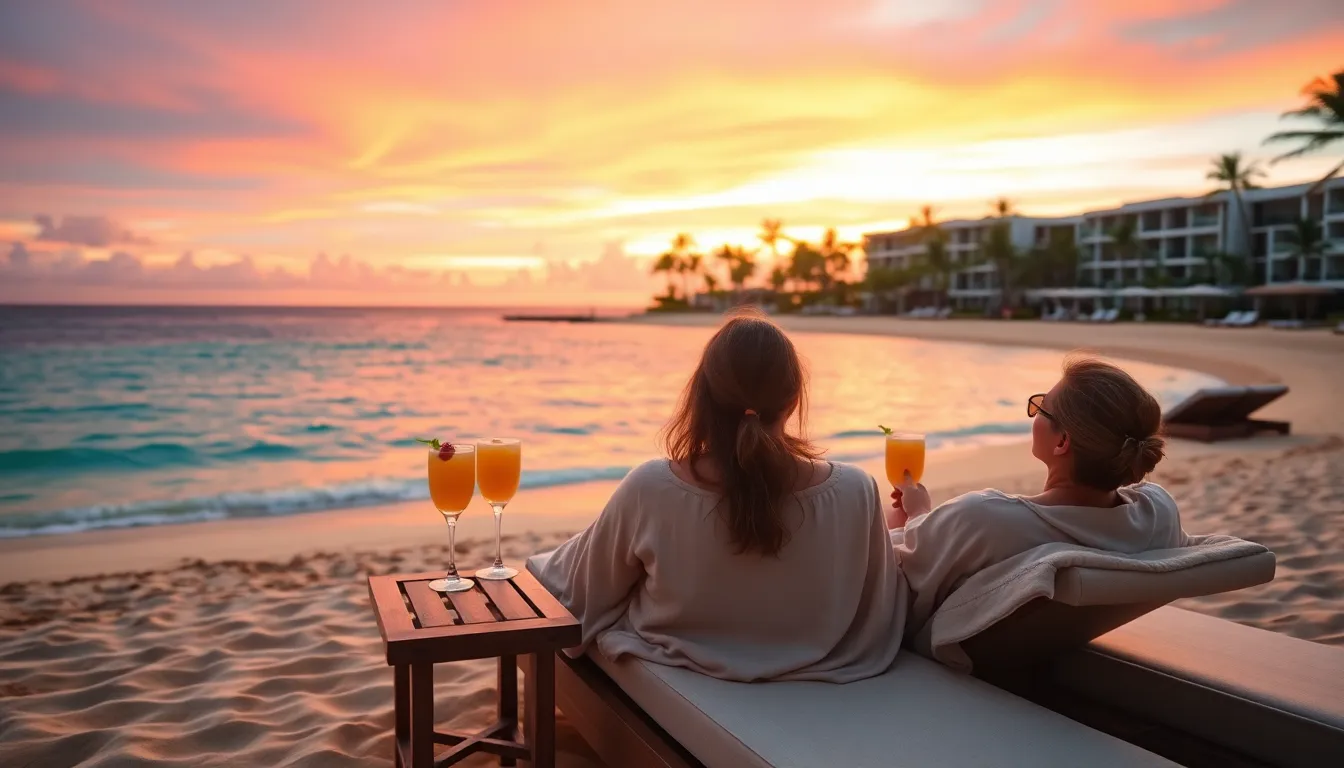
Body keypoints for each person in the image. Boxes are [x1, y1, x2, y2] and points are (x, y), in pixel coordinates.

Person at [534, 312, 907, 683]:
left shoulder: (652, 488)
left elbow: (582, 601)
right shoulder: (856, 491)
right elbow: (882, 606)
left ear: (702, 397)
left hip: (681, 663)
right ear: (793, 400)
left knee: (550, 568)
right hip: (825, 674)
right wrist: (910, 525)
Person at [889, 356, 1187, 636]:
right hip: (1060, 642)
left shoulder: (984, 518)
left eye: (1042, 406)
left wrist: (915, 515)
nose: (1035, 413)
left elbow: (902, 581)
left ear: (1062, 441)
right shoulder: (1158, 512)